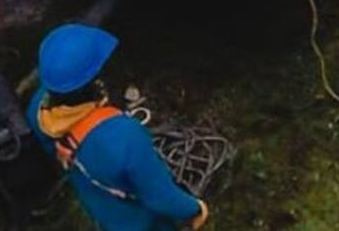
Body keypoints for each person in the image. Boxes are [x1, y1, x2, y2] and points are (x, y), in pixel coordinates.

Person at [28, 25, 209, 231]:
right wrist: (195, 209)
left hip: (103, 212)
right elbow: (160, 197)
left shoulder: (36, 109)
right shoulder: (124, 137)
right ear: (93, 79)